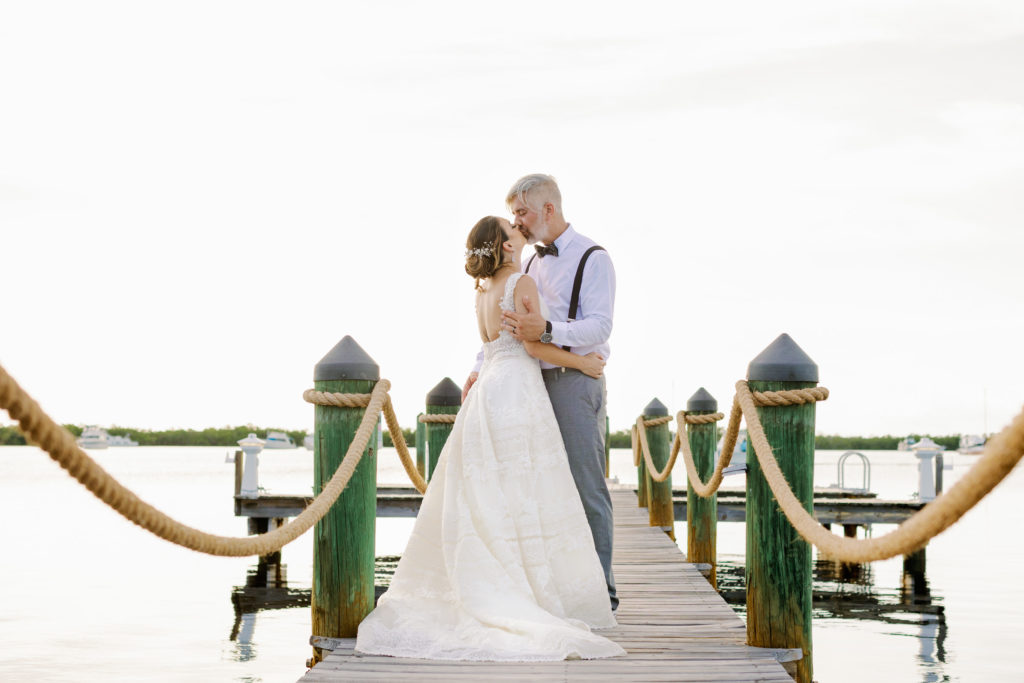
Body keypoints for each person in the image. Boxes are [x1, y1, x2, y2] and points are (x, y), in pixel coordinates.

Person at [354, 216, 624, 662]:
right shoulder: (521, 282)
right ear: (502, 245)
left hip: (488, 393)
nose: (518, 228)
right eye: (510, 227)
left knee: (492, 493)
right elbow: (533, 346)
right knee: (528, 489)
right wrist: (585, 367)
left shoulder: (480, 293)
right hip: (518, 392)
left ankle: (505, 580)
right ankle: (531, 591)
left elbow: (493, 344)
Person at [464, 174, 618, 612]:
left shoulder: (594, 258)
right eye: (513, 215)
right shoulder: (523, 267)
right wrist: (479, 369)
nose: (518, 221)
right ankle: (556, 592)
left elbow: (600, 325)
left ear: (548, 209)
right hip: (524, 386)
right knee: (539, 492)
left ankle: (601, 595)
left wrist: (549, 329)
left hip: (572, 383)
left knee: (585, 489)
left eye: (522, 213)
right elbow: (505, 332)